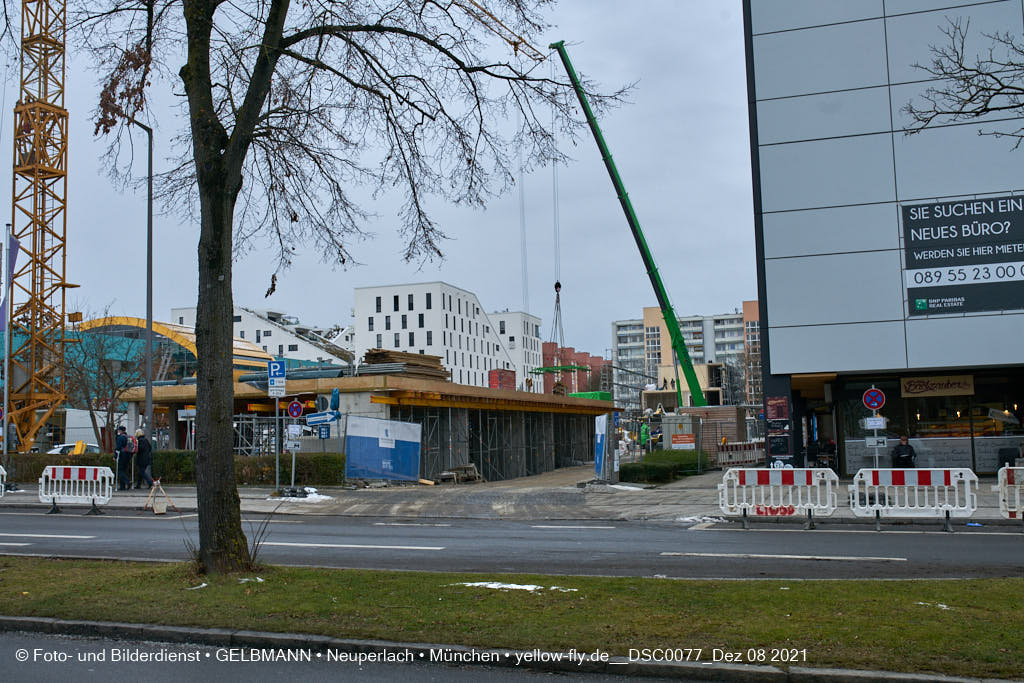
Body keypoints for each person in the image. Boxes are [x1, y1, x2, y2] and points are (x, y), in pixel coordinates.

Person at [114, 426, 131, 490]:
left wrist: (115, 456)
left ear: (120, 430)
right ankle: (122, 486)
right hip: (128, 455)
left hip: (122, 455)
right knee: (124, 470)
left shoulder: (121, 437)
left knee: (120, 470)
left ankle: (127, 481)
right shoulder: (128, 437)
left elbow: (118, 448)